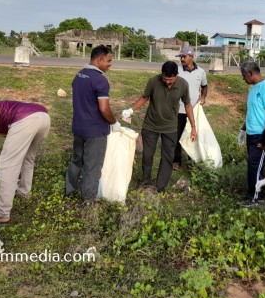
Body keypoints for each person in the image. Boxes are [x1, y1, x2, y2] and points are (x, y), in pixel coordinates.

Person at [122, 61, 197, 192]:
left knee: (167, 157)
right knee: (147, 155)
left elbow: (187, 105)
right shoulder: (153, 81)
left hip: (170, 127)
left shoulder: (183, 84)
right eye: (165, 79)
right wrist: (131, 110)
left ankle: (160, 187)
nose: (167, 82)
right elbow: (144, 97)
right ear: (162, 75)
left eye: (171, 79)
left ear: (176, 75)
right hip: (151, 125)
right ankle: (145, 182)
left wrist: (193, 126)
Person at [0, 101, 51, 224]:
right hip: (43, 116)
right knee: (27, 158)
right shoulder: (4, 115)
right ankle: (24, 191)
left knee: (7, 165)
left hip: (26, 118)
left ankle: (2, 214)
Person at [65, 45, 121, 206]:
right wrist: (114, 122)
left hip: (78, 127)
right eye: (109, 61)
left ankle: (69, 190)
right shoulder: (100, 79)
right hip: (95, 131)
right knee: (92, 167)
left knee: (77, 160)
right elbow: (103, 108)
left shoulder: (79, 75)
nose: (111, 64)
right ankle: (88, 202)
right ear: (99, 59)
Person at [238, 61, 265, 207]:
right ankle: (259, 196)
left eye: (244, 75)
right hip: (252, 133)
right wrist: (243, 129)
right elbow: (252, 112)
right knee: (255, 166)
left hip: (262, 135)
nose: (243, 79)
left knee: (255, 167)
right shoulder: (253, 89)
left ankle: (253, 198)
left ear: (250, 73)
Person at [173, 46, 208, 170]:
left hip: (194, 110)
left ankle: (191, 160)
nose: (181, 59)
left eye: (184, 56)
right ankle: (176, 160)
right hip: (179, 109)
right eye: (180, 56)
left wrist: (203, 97)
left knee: (192, 135)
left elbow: (204, 87)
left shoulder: (201, 72)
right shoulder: (176, 70)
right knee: (176, 135)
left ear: (191, 57)